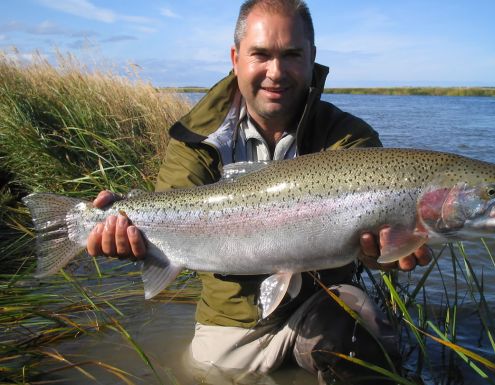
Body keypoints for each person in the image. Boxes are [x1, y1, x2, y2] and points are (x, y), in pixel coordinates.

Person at [87, 0, 431, 383]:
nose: (276, 72)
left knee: (366, 338)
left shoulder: (350, 137)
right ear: (236, 58)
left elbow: (375, 249)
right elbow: (168, 219)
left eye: (292, 55)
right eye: (261, 55)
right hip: (231, 319)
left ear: (312, 57)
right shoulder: (192, 140)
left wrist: (383, 255)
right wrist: (126, 238)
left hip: (323, 305)